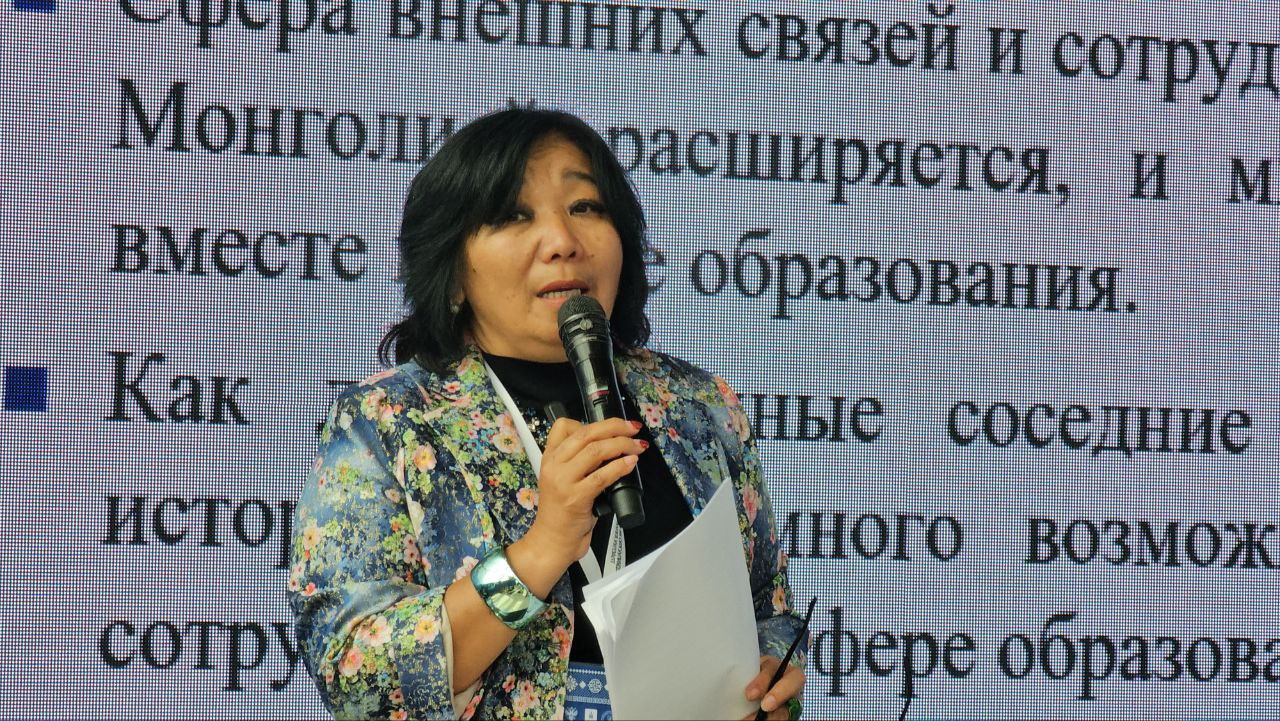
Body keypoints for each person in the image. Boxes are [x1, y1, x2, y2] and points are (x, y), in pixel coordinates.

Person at [287, 107, 808, 720]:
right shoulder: (388, 420)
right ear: (453, 273)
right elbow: (355, 675)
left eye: (585, 206)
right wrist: (539, 551)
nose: (563, 241)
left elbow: (768, 612)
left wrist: (770, 681)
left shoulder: (696, 406)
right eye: (514, 215)